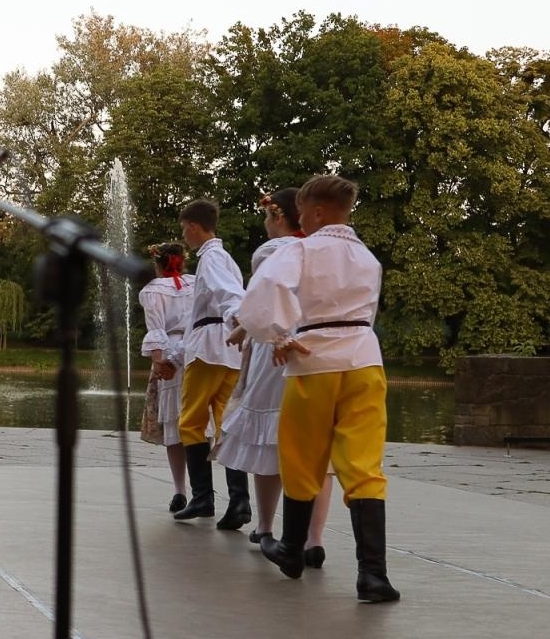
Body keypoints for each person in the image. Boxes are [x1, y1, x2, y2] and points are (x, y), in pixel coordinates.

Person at [239, 174, 400, 602]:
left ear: (314, 212)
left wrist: (277, 334)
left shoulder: (302, 248)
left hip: (315, 360)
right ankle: (373, 576)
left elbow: (265, 290)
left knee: (302, 456)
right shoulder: (367, 257)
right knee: (363, 464)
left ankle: (292, 549)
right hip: (365, 360)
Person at [215, 190, 336, 566]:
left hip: (277, 351)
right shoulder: (325, 252)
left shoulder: (272, 252)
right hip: (318, 352)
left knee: (267, 441)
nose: (265, 224)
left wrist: (242, 327)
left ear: (279, 217)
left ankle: (266, 527)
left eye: (267, 217)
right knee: (317, 449)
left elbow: (263, 305)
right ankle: (314, 539)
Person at [156, 200, 250, 528]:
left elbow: (228, 296)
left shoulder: (210, 258)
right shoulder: (226, 258)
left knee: (191, 422)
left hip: (209, 349)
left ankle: (202, 498)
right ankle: (239, 501)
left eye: (184, 227)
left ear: (194, 227)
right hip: (229, 353)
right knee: (225, 425)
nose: (184, 234)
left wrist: (242, 323)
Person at [138, 243, 193, 510]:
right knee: (197, 423)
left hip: (170, 351)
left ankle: (180, 489)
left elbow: (156, 329)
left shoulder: (153, 290)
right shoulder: (196, 284)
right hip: (197, 350)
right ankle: (202, 490)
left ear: (158, 264)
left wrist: (161, 362)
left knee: (174, 426)